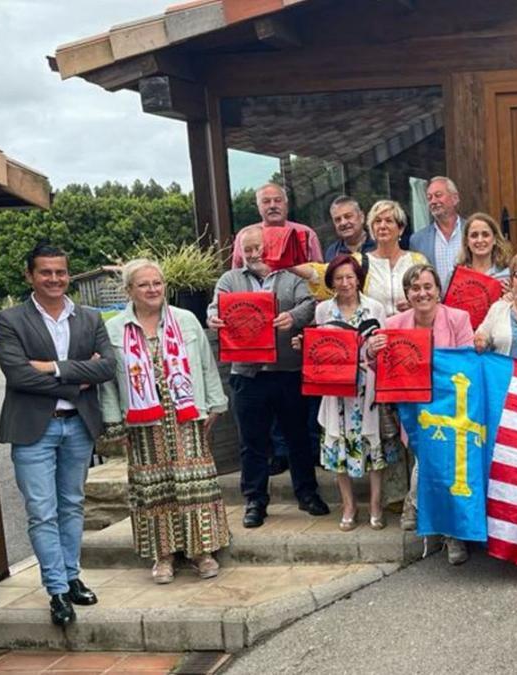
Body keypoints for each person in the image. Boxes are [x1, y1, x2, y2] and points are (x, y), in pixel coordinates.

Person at [0, 243, 116, 626]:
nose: (54, 279)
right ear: (30, 275)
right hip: (34, 430)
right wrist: (76, 379)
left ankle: (72, 575)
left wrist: (53, 368)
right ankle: (57, 590)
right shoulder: (8, 319)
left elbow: (109, 366)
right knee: (42, 513)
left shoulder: (90, 319)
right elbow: (18, 375)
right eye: (45, 272)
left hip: (78, 426)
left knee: (72, 505)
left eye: (60, 272)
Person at [101, 259, 230, 584]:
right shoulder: (115, 329)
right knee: (154, 489)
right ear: (129, 290)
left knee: (194, 485)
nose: (152, 289)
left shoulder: (185, 321)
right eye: (143, 284)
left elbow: (205, 366)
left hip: (185, 416)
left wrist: (215, 404)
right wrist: (115, 422)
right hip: (144, 423)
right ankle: (164, 555)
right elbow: (109, 382)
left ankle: (202, 551)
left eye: (157, 283)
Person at [208, 226, 328, 529]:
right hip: (248, 375)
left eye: (258, 248)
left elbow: (310, 304)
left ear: (270, 247)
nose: (253, 254)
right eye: (247, 249)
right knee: (252, 442)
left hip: (288, 372)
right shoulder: (229, 279)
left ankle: (307, 493)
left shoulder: (290, 275)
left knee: (298, 437)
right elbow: (214, 308)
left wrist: (294, 317)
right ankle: (255, 501)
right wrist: (214, 318)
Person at [381, 263, 475, 563]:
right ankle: (436, 520)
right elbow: (380, 366)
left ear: (438, 290)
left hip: (451, 404)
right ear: (407, 294)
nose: (422, 293)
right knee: (430, 462)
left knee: (447, 469)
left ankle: (450, 534)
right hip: (413, 408)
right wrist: (373, 350)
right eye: (415, 288)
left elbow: (468, 361)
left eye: (427, 287)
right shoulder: (394, 323)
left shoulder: (458, 318)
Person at [306, 255, 389, 532]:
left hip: (367, 386)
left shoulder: (375, 307)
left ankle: (376, 504)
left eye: (350, 277)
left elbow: (385, 349)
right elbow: (319, 347)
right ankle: (349, 504)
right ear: (331, 282)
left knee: (372, 444)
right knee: (338, 444)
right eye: (339, 278)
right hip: (335, 388)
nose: (345, 283)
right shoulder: (323, 311)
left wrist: (376, 347)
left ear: (358, 279)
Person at [230, 182, 323, 268]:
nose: (272, 206)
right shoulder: (245, 235)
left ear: (286, 205)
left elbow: (319, 272)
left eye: (278, 200)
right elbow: (236, 274)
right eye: (266, 201)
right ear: (258, 207)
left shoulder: (306, 233)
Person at [363, 200, 429, 316]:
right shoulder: (360, 263)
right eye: (377, 221)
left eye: (389, 221)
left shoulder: (417, 261)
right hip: (374, 331)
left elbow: (431, 297)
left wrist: (415, 304)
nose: (382, 226)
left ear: (401, 229)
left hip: (410, 329)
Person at [409, 176, 464, 292]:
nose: (433, 201)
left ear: (455, 198)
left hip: (471, 303)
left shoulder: (472, 231)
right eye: (429, 198)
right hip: (435, 307)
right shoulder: (418, 240)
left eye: (438, 195)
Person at [456, 212, 513, 283]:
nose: (480, 240)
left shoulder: (508, 275)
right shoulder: (456, 276)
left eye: (485, 235)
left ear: (495, 239)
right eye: (474, 235)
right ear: (466, 241)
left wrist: (513, 293)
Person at [322, 195, 375, 259]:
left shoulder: (379, 244)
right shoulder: (332, 253)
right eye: (338, 219)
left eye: (348, 216)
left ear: (361, 217)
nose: (343, 223)